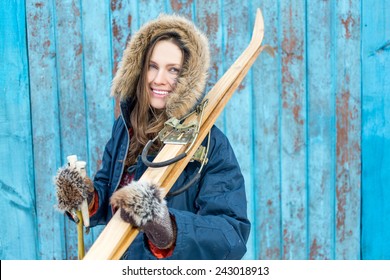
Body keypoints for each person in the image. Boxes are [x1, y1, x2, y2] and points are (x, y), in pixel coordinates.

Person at [55, 14, 250, 260]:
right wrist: (87, 199)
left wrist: (166, 229)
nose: (159, 79)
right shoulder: (127, 127)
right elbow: (112, 199)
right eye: (153, 66)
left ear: (187, 78)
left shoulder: (210, 143)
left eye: (173, 70)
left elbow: (231, 235)